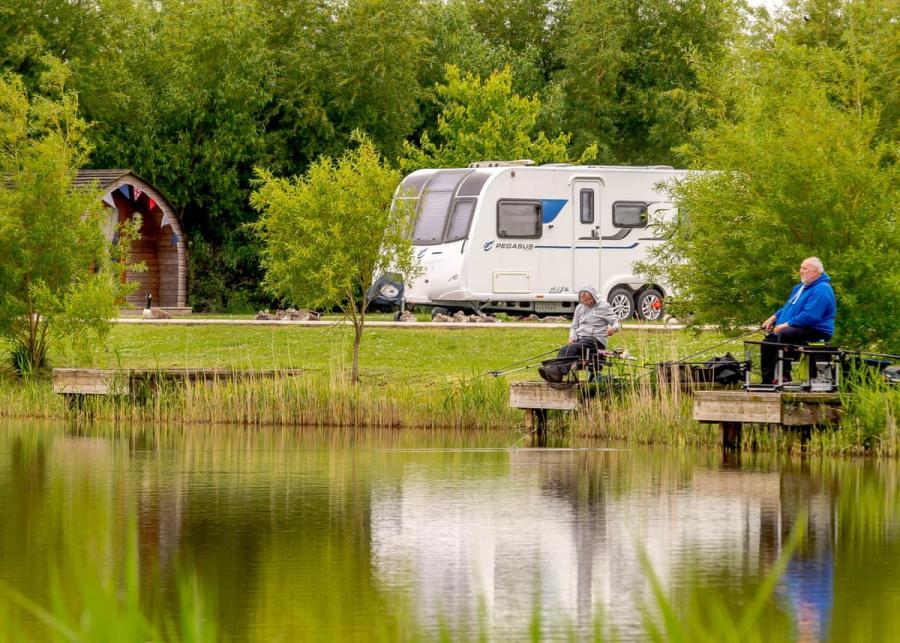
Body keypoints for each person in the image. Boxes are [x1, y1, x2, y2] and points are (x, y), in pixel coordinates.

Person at [760, 257, 836, 384]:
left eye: (804, 268)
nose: (800, 271)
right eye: (801, 268)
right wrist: (773, 318)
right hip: (797, 328)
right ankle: (767, 382)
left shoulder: (822, 289)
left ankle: (784, 374)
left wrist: (785, 324)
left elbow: (810, 316)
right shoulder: (799, 288)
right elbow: (789, 307)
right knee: (768, 342)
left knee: (786, 333)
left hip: (816, 330)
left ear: (816, 272)